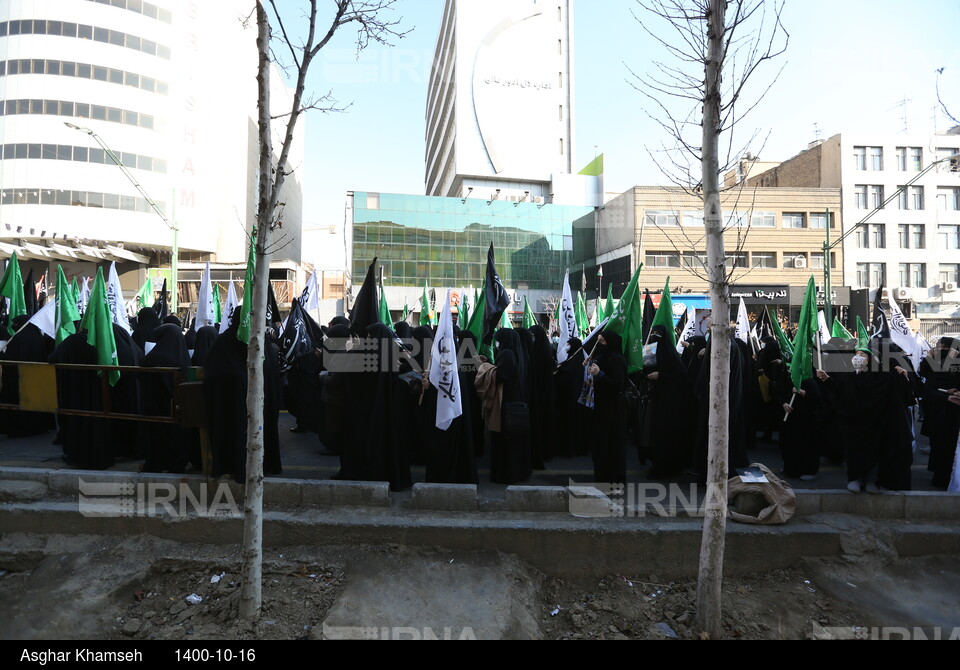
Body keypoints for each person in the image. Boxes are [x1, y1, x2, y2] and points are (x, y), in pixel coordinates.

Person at [816, 343, 914, 493]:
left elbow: (900, 394)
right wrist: (826, 379)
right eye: (856, 354)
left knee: (875, 452)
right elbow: (838, 390)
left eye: (862, 355)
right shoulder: (849, 377)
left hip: (876, 424)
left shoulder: (883, 377)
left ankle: (871, 481)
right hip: (854, 424)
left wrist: (903, 377)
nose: (857, 357)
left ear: (871, 359)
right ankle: (854, 478)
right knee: (854, 452)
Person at [480, 329, 532, 485]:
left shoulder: (507, 353)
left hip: (505, 404)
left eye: (498, 340)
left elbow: (503, 376)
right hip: (515, 402)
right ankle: (517, 473)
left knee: (505, 441)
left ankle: (506, 475)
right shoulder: (517, 353)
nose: (496, 343)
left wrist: (486, 367)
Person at [639, 325, 690, 479]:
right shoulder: (650, 351)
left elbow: (680, 376)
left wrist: (661, 375)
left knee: (665, 434)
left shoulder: (671, 355)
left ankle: (666, 467)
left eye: (658, 334)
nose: (655, 336)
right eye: (653, 333)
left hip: (669, 402)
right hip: (655, 398)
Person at [140, 323, 192, 473]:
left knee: (158, 435)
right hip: (178, 406)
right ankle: (177, 464)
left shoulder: (155, 357)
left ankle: (157, 464)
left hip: (158, 406)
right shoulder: (183, 355)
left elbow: (142, 372)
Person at [583, 331, 628, 485]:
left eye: (602, 342)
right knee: (599, 445)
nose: (599, 345)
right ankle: (602, 477)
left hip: (612, 409)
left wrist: (600, 374)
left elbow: (618, 385)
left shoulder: (617, 360)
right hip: (600, 408)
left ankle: (614, 479)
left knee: (612, 445)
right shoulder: (601, 358)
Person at [918, 338, 960, 488]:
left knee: (947, 444)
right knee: (937, 442)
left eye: (943, 346)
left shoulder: (957, 358)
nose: (940, 349)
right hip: (935, 404)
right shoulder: (933, 357)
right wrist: (929, 357)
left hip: (952, 408)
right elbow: (922, 373)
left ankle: (943, 477)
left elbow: (951, 376)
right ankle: (937, 472)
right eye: (939, 346)